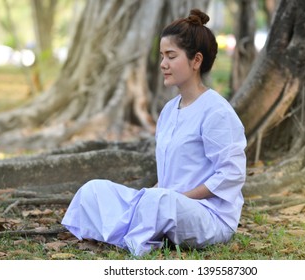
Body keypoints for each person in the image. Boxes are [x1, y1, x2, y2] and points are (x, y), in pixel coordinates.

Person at [61, 9, 247, 257]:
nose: (163, 64)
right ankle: (136, 227)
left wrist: (176, 197)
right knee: (94, 190)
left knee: (159, 202)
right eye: (161, 56)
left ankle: (133, 234)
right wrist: (153, 195)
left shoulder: (217, 112)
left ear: (196, 61)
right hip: (167, 204)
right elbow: (168, 176)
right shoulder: (170, 110)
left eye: (171, 56)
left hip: (207, 215)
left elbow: (231, 173)